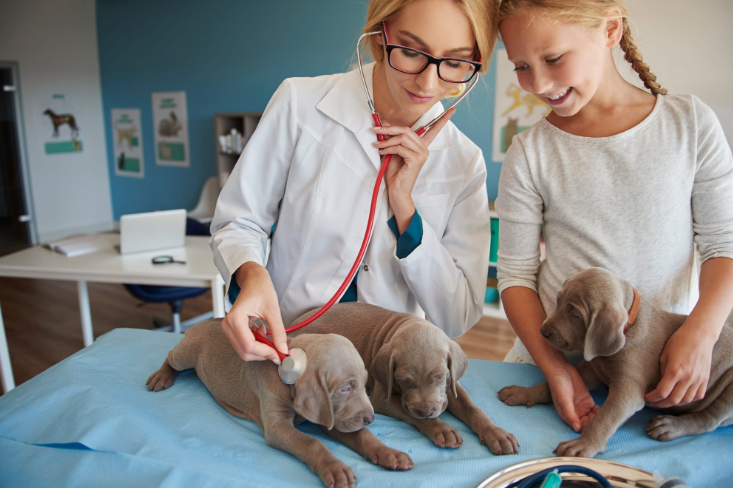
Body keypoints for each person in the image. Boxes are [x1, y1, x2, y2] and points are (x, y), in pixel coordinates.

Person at [210, 0, 497, 364]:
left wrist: (405, 209)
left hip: (385, 366)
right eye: (410, 51)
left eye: (454, 63)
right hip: (286, 346)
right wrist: (250, 276)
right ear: (380, 38)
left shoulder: (463, 162)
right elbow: (238, 221)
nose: (428, 82)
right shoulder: (301, 105)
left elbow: (457, 315)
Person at [495, 0, 733, 433]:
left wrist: (701, 334)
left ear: (610, 30)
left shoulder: (690, 124)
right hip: (557, 365)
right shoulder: (530, 153)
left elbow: (724, 246)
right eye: (521, 66)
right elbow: (514, 276)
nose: (539, 83)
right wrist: (556, 370)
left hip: (662, 369)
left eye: (553, 59)